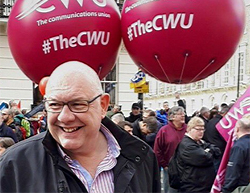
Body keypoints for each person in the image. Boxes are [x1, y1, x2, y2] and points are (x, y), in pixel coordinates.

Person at [0, 61, 161, 193]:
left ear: (103, 106)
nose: (65, 117)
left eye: (77, 104)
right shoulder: (14, 165)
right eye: (55, 104)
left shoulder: (142, 157)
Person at [175, 116, 221, 193]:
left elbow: (217, 151)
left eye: (203, 129)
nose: (201, 132)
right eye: (198, 129)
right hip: (193, 187)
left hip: (202, 186)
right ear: (189, 129)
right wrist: (208, 151)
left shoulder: (200, 142)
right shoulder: (187, 145)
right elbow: (205, 158)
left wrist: (208, 150)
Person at [154, 106, 187, 193]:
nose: (183, 116)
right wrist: (164, 165)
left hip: (187, 168)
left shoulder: (188, 129)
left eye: (183, 114)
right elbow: (157, 150)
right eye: (180, 114)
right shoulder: (164, 131)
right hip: (170, 169)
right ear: (172, 117)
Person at [222, 116, 250, 193]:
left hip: (241, 187)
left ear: (237, 129)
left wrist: (225, 190)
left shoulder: (239, 146)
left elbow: (234, 171)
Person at [204, 105, 230, 172]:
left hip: (211, 147)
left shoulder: (210, 121)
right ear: (226, 114)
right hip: (219, 149)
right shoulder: (221, 123)